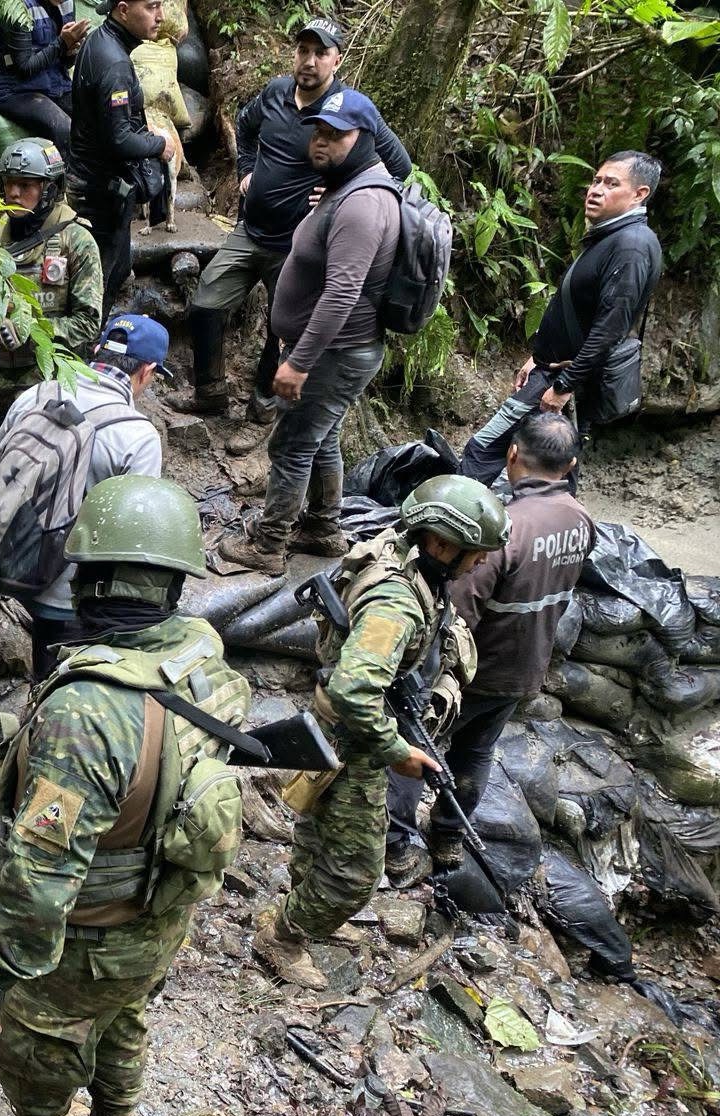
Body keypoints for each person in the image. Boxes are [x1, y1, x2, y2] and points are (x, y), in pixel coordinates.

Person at [0, 475, 251, 1116]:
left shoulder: (89, 709)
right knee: (125, 1021)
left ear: (93, 578)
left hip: (89, 935)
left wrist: (1, 978)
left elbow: (38, 881)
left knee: (34, 1038)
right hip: (163, 914)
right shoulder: (200, 656)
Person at [253, 476, 509, 990]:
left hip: (349, 732)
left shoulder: (409, 560)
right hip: (355, 739)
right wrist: (397, 751)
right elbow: (353, 690)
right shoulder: (397, 602)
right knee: (356, 872)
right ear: (440, 542)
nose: (480, 563)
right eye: (473, 552)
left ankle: (306, 906)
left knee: (321, 831)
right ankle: (283, 935)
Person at [387, 414, 594, 883]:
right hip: (525, 668)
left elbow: (457, 611)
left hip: (472, 670)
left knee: (410, 745)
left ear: (513, 455)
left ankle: (395, 847)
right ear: (571, 465)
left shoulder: (504, 530)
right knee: (476, 752)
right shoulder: (581, 519)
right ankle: (447, 837)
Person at [180, 17, 409, 418]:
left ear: (337, 59)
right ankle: (209, 392)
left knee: (280, 329)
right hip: (250, 231)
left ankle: (264, 405)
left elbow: (399, 167)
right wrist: (246, 170)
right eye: (303, 51)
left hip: (298, 246)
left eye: (321, 53)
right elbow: (246, 128)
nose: (310, 60)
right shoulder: (275, 93)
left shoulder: (350, 110)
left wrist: (343, 191)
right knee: (205, 305)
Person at [219, 88, 402, 574]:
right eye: (318, 132)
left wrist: (298, 362)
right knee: (322, 437)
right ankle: (321, 528)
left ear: (364, 139)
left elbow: (342, 292)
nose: (320, 143)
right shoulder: (350, 188)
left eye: (334, 136)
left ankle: (269, 543)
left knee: (292, 445)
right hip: (337, 350)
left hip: (335, 353)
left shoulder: (363, 206)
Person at [460, 151, 663, 485]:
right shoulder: (611, 237)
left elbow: (611, 326)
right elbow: (579, 310)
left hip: (565, 380)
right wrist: (538, 357)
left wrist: (564, 386)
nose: (596, 189)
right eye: (596, 180)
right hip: (554, 371)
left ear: (639, 194)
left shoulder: (631, 246)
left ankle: (454, 530)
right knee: (551, 465)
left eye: (611, 183)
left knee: (490, 451)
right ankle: (557, 531)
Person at [0, 312, 166, 678]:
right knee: (56, 686)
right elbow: (132, 541)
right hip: (66, 598)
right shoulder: (137, 436)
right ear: (147, 371)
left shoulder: (35, 395)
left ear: (96, 351)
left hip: (4, 569)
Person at [0, 137, 105, 435]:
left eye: (26, 185)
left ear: (50, 188)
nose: (13, 193)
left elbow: (88, 322)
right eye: (8, 184)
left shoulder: (76, 242)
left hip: (47, 383)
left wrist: (31, 333)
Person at [68, 0, 174, 310]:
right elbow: (119, 140)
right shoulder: (114, 64)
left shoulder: (99, 41)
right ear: (123, 10)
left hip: (95, 184)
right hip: (100, 193)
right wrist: (159, 144)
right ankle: (80, 353)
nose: (161, 16)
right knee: (93, 290)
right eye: (152, 6)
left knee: (118, 269)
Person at [0, 0, 89, 159]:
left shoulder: (68, 3)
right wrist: (62, 43)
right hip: (18, 91)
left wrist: (72, 49)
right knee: (64, 130)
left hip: (58, 85)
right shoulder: (17, 6)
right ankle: (64, 181)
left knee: (95, 119)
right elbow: (24, 68)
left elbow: (66, 62)